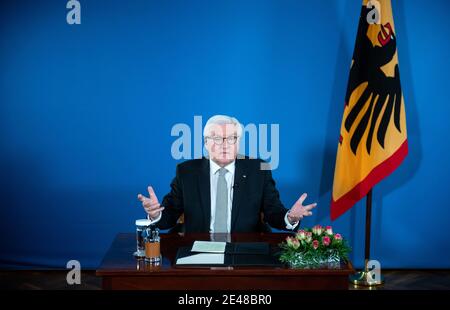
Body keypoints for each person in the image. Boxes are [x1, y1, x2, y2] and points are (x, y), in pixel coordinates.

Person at [137, 115, 317, 233]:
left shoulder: (258, 169)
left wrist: (290, 217)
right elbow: (169, 216)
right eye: (216, 138)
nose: (224, 144)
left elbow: (273, 213)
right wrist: (155, 214)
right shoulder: (187, 171)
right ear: (206, 143)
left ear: (238, 142)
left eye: (231, 138)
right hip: (197, 247)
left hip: (246, 248)